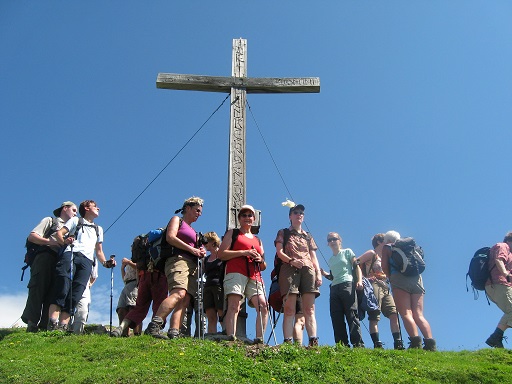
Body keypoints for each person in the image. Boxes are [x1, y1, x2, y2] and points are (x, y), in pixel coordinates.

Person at [48, 200, 116, 331]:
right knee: (62, 285)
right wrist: (65, 242)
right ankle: (52, 322)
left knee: (76, 292)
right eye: (95, 206)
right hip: (71, 253)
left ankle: (63, 326)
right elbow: (59, 233)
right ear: (86, 208)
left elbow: (99, 251)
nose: (99, 208)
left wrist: (106, 263)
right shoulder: (75, 221)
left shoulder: (99, 229)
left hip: (87, 261)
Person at [145, 196, 206, 339]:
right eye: (197, 210)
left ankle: (174, 331)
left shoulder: (194, 231)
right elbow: (170, 237)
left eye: (200, 212)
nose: (199, 214)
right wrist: (192, 250)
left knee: (184, 299)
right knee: (178, 293)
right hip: (177, 260)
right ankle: (154, 325)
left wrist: (201, 250)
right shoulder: (177, 220)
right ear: (188, 208)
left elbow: (197, 248)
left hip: (192, 266)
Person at [21, 201, 77, 332]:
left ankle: (45, 325)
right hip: (45, 256)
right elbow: (32, 236)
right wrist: (49, 242)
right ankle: (32, 323)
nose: (76, 214)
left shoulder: (71, 227)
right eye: (74, 210)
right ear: (65, 208)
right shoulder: (50, 221)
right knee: (38, 287)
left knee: (54, 291)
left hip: (60, 260)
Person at [219, 204, 268, 343]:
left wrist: (259, 259)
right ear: (239, 218)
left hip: (255, 274)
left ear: (254, 218)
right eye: (244, 215)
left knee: (263, 305)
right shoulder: (233, 233)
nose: (247, 217)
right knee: (234, 305)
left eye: (250, 215)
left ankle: (259, 339)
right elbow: (221, 254)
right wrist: (244, 252)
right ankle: (231, 337)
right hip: (235, 271)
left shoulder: (258, 240)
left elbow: (264, 265)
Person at [275, 203, 322, 347]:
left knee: (309, 308)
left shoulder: (308, 236)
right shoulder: (283, 232)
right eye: (295, 212)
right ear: (290, 216)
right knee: (289, 308)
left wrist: (318, 272)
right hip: (289, 269)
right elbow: (279, 252)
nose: (299, 214)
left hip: (308, 269)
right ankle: (288, 341)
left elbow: (313, 256)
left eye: (301, 212)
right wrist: (291, 261)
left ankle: (313, 340)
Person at [381, 230, 436, 351]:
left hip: (399, 280)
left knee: (406, 312)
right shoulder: (410, 247)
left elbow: (384, 266)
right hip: (417, 280)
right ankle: (430, 343)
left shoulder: (387, 247)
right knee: (419, 314)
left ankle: (415, 342)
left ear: (387, 240)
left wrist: (390, 276)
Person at [111, 238, 169, 338]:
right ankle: (155, 330)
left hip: (143, 278)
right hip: (159, 276)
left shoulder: (141, 254)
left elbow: (139, 269)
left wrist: (139, 282)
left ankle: (121, 327)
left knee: (138, 307)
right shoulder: (163, 243)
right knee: (159, 305)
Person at [357, 233, 404, 349]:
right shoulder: (371, 254)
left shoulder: (385, 257)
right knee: (374, 314)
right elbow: (355, 263)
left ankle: (398, 343)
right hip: (373, 285)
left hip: (385, 286)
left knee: (393, 313)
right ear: (379, 242)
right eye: (386, 240)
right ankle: (377, 343)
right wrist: (363, 279)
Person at [321, 232, 364, 348]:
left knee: (351, 313)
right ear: (328, 244)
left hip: (347, 284)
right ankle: (342, 344)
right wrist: (325, 274)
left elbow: (356, 267)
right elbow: (333, 276)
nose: (332, 241)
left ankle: (358, 343)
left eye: (334, 239)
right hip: (334, 287)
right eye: (329, 240)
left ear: (340, 240)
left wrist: (359, 281)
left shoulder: (347, 252)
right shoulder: (330, 260)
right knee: (336, 316)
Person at [484, 231, 512, 348]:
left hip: (503, 285)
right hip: (498, 283)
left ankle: (496, 338)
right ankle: (495, 337)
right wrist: (505, 273)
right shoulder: (503, 246)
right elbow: (499, 259)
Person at [203, 231, 225, 335]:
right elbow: (201, 272)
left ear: (212, 242)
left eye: (206, 242)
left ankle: (226, 331)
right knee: (210, 313)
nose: (204, 245)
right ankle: (211, 335)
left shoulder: (222, 256)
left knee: (221, 311)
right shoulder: (206, 259)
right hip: (207, 286)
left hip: (219, 285)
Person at [70, 260, 98, 334]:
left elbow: (94, 276)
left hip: (84, 287)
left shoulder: (93, 258)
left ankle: (76, 334)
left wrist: (89, 285)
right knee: (67, 309)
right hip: (69, 284)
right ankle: (64, 330)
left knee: (83, 311)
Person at [115, 258, 141, 336]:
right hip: (127, 285)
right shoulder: (129, 261)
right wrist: (122, 268)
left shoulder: (138, 259)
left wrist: (129, 262)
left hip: (135, 283)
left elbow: (139, 267)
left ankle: (137, 333)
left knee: (133, 308)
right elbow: (125, 277)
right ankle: (124, 333)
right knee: (121, 309)